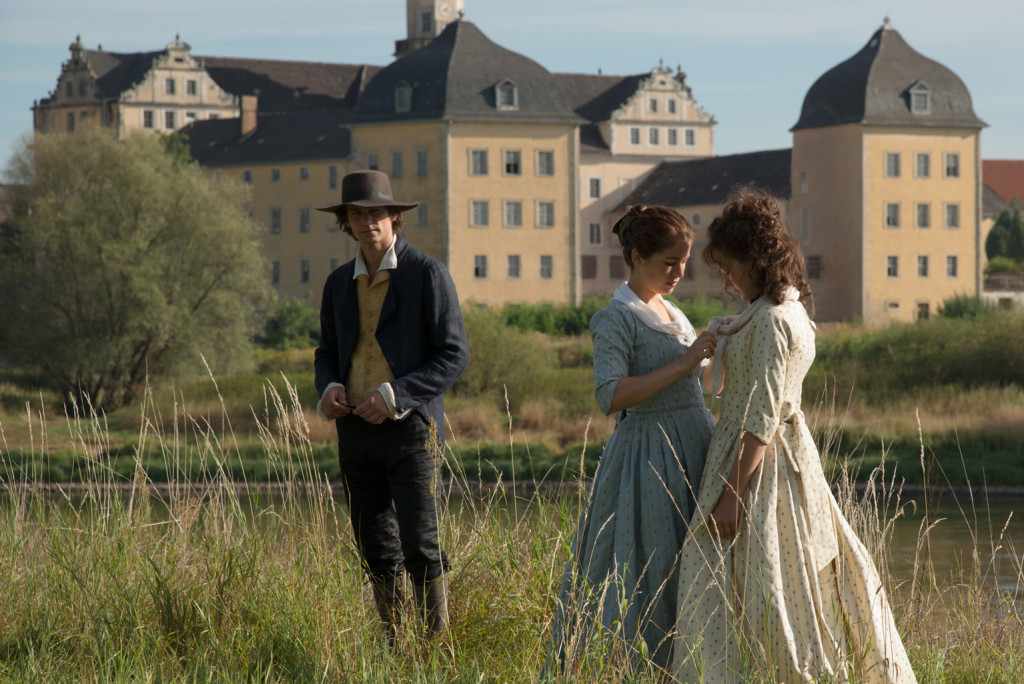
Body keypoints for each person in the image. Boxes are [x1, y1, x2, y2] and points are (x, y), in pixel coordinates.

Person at [672, 190, 916, 683]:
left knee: (761, 582)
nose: (728, 279)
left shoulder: (770, 320)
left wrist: (732, 496)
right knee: (790, 578)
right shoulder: (788, 309)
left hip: (759, 464)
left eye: (731, 268)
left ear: (753, 260)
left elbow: (762, 416)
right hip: (784, 459)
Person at [550, 205, 717, 673]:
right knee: (652, 568)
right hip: (650, 455)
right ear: (637, 256)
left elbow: (696, 382)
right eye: (669, 262)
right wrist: (684, 363)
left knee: (694, 567)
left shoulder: (671, 310)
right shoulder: (616, 317)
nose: (679, 273)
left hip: (693, 446)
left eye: (684, 262)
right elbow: (610, 394)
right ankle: (641, 670)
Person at [314, 170, 469, 641]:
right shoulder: (338, 283)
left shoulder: (427, 274)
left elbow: (453, 355)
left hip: (411, 430)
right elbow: (327, 351)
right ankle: (394, 648)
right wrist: (329, 388)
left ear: (395, 217)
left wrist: (395, 396)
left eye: (376, 213)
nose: (368, 223)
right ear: (346, 222)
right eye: (357, 215)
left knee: (421, 543)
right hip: (355, 431)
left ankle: (435, 648)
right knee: (375, 548)